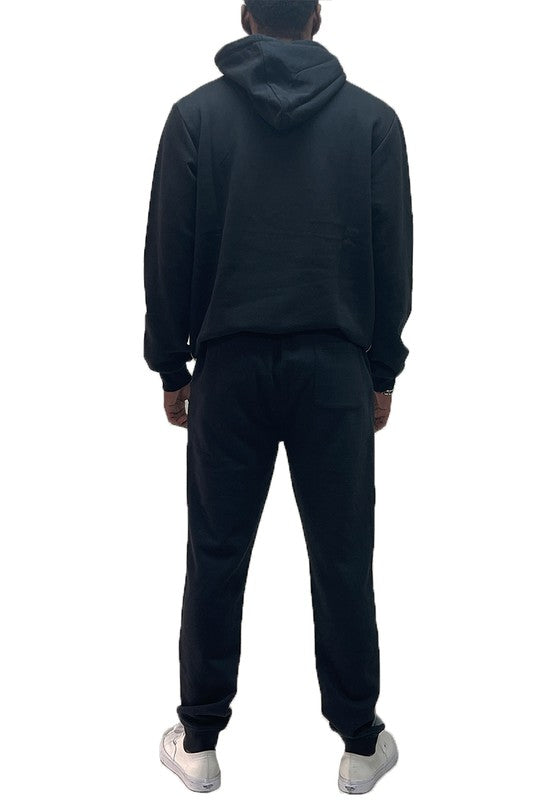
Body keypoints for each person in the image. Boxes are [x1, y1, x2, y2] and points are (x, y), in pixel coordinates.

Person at [144, 1, 413, 793]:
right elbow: (392, 251)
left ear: (246, 16)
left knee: (216, 551)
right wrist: (382, 369)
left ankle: (198, 742)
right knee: (341, 554)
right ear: (316, 18)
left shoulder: (194, 118)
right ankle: (359, 744)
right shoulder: (372, 122)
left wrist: (170, 366)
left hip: (227, 368)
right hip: (333, 370)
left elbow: (167, 247)